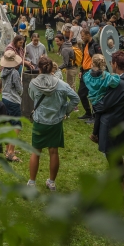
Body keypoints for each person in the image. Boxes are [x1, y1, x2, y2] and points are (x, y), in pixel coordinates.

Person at [26, 56, 80, 192]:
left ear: (39, 68)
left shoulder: (33, 83)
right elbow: (75, 98)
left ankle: (32, 182)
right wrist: (65, 110)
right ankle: (51, 182)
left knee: (35, 151)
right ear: (51, 68)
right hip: (56, 121)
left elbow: (32, 96)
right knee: (53, 152)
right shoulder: (61, 83)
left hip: (39, 121)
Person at [92, 50, 124, 197]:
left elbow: (104, 104)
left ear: (115, 64)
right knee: (116, 158)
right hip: (122, 122)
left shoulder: (121, 84)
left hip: (113, 124)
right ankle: (121, 188)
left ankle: (120, 191)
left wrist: (95, 103)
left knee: (113, 158)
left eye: (111, 62)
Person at [84, 54, 121, 144]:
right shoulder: (106, 76)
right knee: (99, 117)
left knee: (97, 116)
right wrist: (115, 75)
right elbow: (115, 82)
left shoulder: (87, 76)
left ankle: (97, 135)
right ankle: (96, 135)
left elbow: (85, 79)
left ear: (92, 64)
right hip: (102, 100)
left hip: (93, 100)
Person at [0, 49, 24, 163]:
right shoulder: (15, 73)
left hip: (4, 99)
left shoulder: (2, 71)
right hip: (13, 101)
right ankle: (10, 153)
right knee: (16, 126)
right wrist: (21, 89)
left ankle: (8, 148)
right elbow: (19, 89)